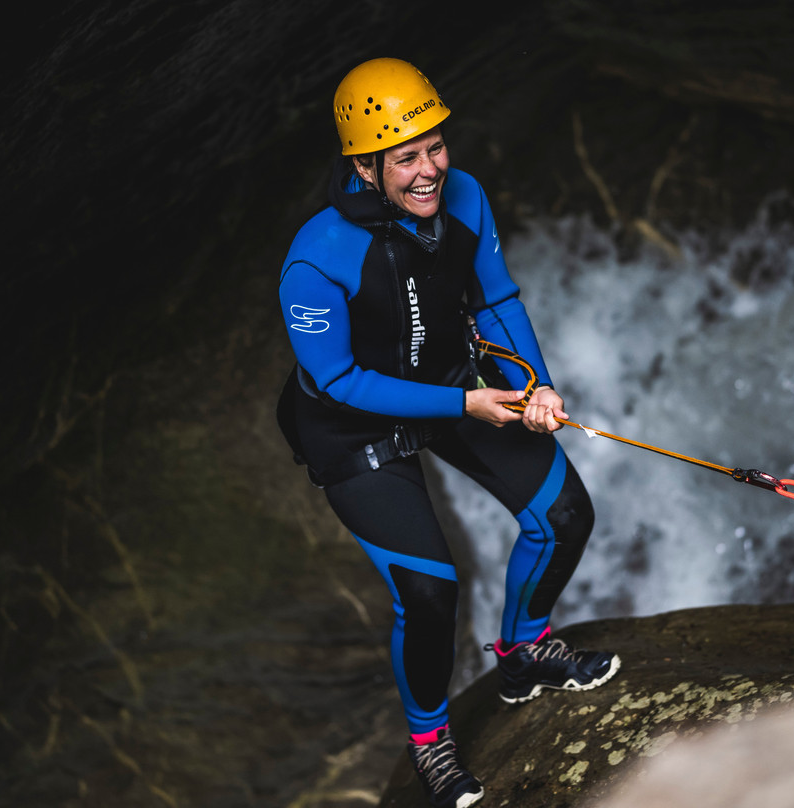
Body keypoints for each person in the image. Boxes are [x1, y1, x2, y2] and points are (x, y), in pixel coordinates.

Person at [277, 57, 620, 808]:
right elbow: (337, 381)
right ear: (364, 166)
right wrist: (466, 406)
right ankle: (430, 741)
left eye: (436, 146)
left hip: (450, 384)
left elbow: (495, 300)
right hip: (351, 424)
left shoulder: (464, 198)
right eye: (406, 157)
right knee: (431, 591)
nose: (430, 169)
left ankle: (524, 650)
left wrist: (535, 383)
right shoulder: (315, 259)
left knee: (565, 516)